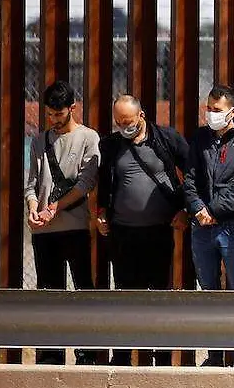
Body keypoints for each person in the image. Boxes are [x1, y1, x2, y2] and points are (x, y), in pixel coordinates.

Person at [97, 94, 189, 367]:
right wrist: (101, 213)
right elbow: (104, 183)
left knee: (158, 296)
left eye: (128, 121)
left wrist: (184, 209)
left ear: (142, 115)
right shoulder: (111, 145)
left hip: (159, 232)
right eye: (119, 122)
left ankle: (160, 358)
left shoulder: (167, 139)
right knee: (126, 296)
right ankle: (123, 356)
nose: (124, 126)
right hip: (123, 234)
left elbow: (193, 173)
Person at [183, 84, 234, 368]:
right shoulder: (201, 138)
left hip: (232, 226)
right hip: (201, 227)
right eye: (208, 108)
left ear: (232, 112)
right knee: (209, 291)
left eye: (216, 110)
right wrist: (197, 209)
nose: (210, 114)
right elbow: (190, 178)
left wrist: (213, 209)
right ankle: (215, 355)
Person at [25, 80, 102, 365]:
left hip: (76, 227)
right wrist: (34, 208)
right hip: (45, 230)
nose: (53, 120)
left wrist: (55, 207)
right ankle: (49, 352)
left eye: (59, 114)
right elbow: (31, 185)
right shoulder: (39, 140)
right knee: (48, 290)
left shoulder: (88, 138)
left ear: (72, 108)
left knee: (83, 288)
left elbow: (85, 184)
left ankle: (86, 352)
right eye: (49, 115)